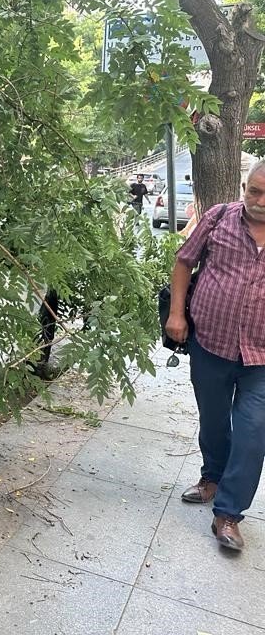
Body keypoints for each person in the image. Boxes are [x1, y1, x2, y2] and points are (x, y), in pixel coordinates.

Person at [166, 159, 265, 551]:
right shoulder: (218, 218)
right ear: (245, 188)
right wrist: (176, 314)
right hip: (211, 342)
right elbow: (183, 261)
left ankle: (228, 515)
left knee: (254, 431)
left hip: (261, 357)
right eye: (253, 191)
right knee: (213, 419)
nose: (259, 200)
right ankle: (212, 477)